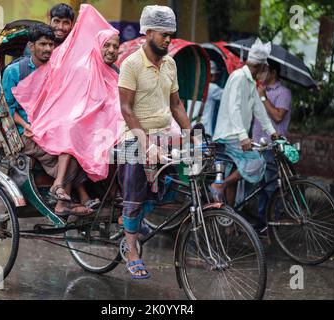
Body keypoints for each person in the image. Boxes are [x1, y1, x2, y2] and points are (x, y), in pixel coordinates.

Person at [118, 5, 192, 280]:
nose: (168, 40)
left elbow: (176, 104)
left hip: (164, 135)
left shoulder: (170, 63)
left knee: (173, 187)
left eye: (171, 35)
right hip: (134, 137)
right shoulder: (131, 64)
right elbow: (126, 108)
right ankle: (132, 249)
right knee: (135, 194)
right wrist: (145, 142)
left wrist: (192, 135)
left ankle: (132, 221)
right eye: (163, 34)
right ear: (147, 32)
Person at [13, 4, 122, 184]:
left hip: (69, 109)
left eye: (66, 23)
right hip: (38, 115)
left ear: (72, 26)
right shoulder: (32, 59)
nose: (61, 27)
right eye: (57, 21)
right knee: (70, 132)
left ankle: (102, 193)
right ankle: (67, 191)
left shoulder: (80, 51)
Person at [3, 23, 94, 217]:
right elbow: (8, 110)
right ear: (31, 45)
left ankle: (61, 191)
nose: (47, 49)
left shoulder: (56, 70)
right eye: (43, 44)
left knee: (79, 145)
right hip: (25, 132)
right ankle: (61, 200)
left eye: (51, 45)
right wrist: (27, 125)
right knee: (68, 149)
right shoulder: (15, 71)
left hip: (52, 128)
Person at [211, 38, 279, 207]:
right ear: (262, 66)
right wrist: (243, 136)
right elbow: (233, 108)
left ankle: (229, 220)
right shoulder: (238, 77)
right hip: (229, 135)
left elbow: (259, 109)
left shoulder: (250, 82)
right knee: (257, 161)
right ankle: (220, 185)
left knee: (234, 178)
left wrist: (272, 132)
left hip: (236, 135)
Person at [252, 61, 292, 233]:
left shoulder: (283, 93)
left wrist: (262, 98)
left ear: (273, 73)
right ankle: (263, 223)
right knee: (260, 187)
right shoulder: (260, 90)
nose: (261, 73)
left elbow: (278, 116)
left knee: (271, 187)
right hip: (257, 145)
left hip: (272, 146)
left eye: (265, 70)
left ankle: (272, 224)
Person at [201, 60, 223, 138]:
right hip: (204, 129)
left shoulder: (196, 86)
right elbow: (227, 95)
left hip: (190, 126)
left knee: (188, 149)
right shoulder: (212, 88)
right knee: (200, 150)